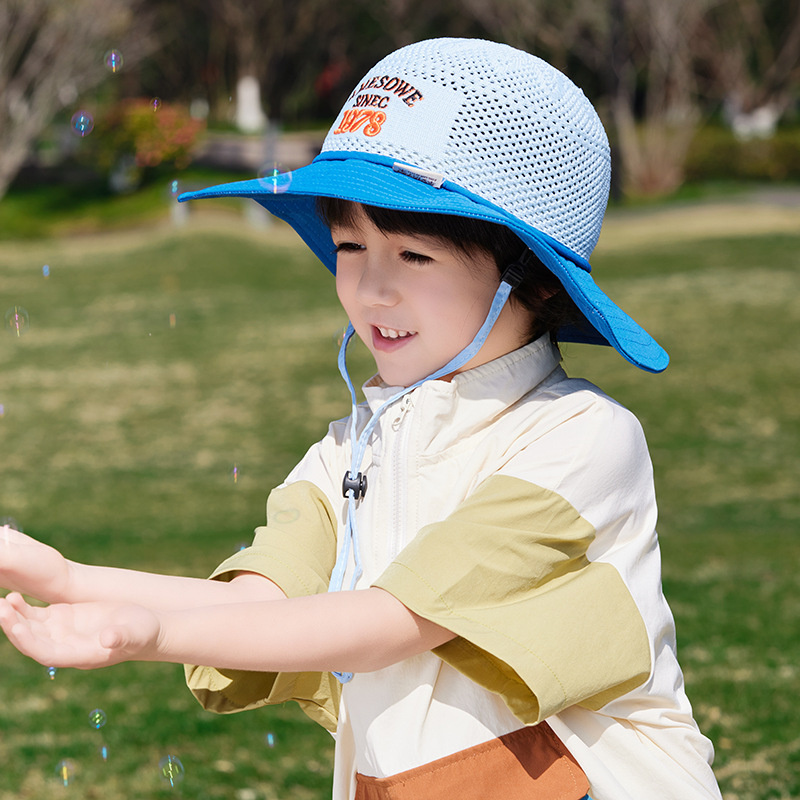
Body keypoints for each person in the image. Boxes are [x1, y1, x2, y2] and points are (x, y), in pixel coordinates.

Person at [0, 38, 722, 800]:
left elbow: (390, 622)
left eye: (414, 255)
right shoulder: (349, 449)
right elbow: (262, 602)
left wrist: (149, 634)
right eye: (349, 245)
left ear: (532, 279)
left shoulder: (581, 437)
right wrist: (66, 578)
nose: (371, 289)